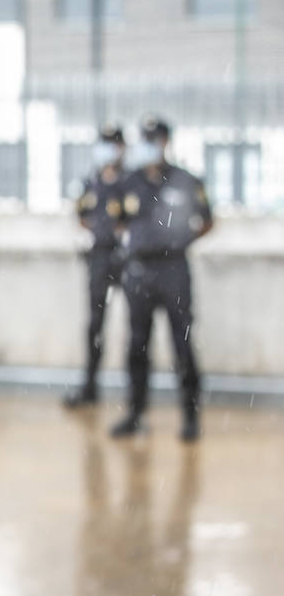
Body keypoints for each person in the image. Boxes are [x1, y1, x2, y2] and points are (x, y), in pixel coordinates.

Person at [110, 116, 213, 442]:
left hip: (174, 272)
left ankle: (190, 417)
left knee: (182, 345)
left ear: (166, 142)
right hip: (140, 272)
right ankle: (136, 413)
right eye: (146, 139)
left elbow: (207, 221)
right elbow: (118, 222)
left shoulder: (186, 181)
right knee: (137, 344)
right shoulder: (129, 182)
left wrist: (178, 243)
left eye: (156, 140)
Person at [64, 124, 126, 408]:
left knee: (138, 324)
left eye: (113, 144)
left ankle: (136, 397)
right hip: (99, 256)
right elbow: (81, 215)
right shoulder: (91, 182)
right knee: (95, 325)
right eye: (104, 143)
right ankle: (90, 386)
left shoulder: (130, 182)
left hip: (128, 258)